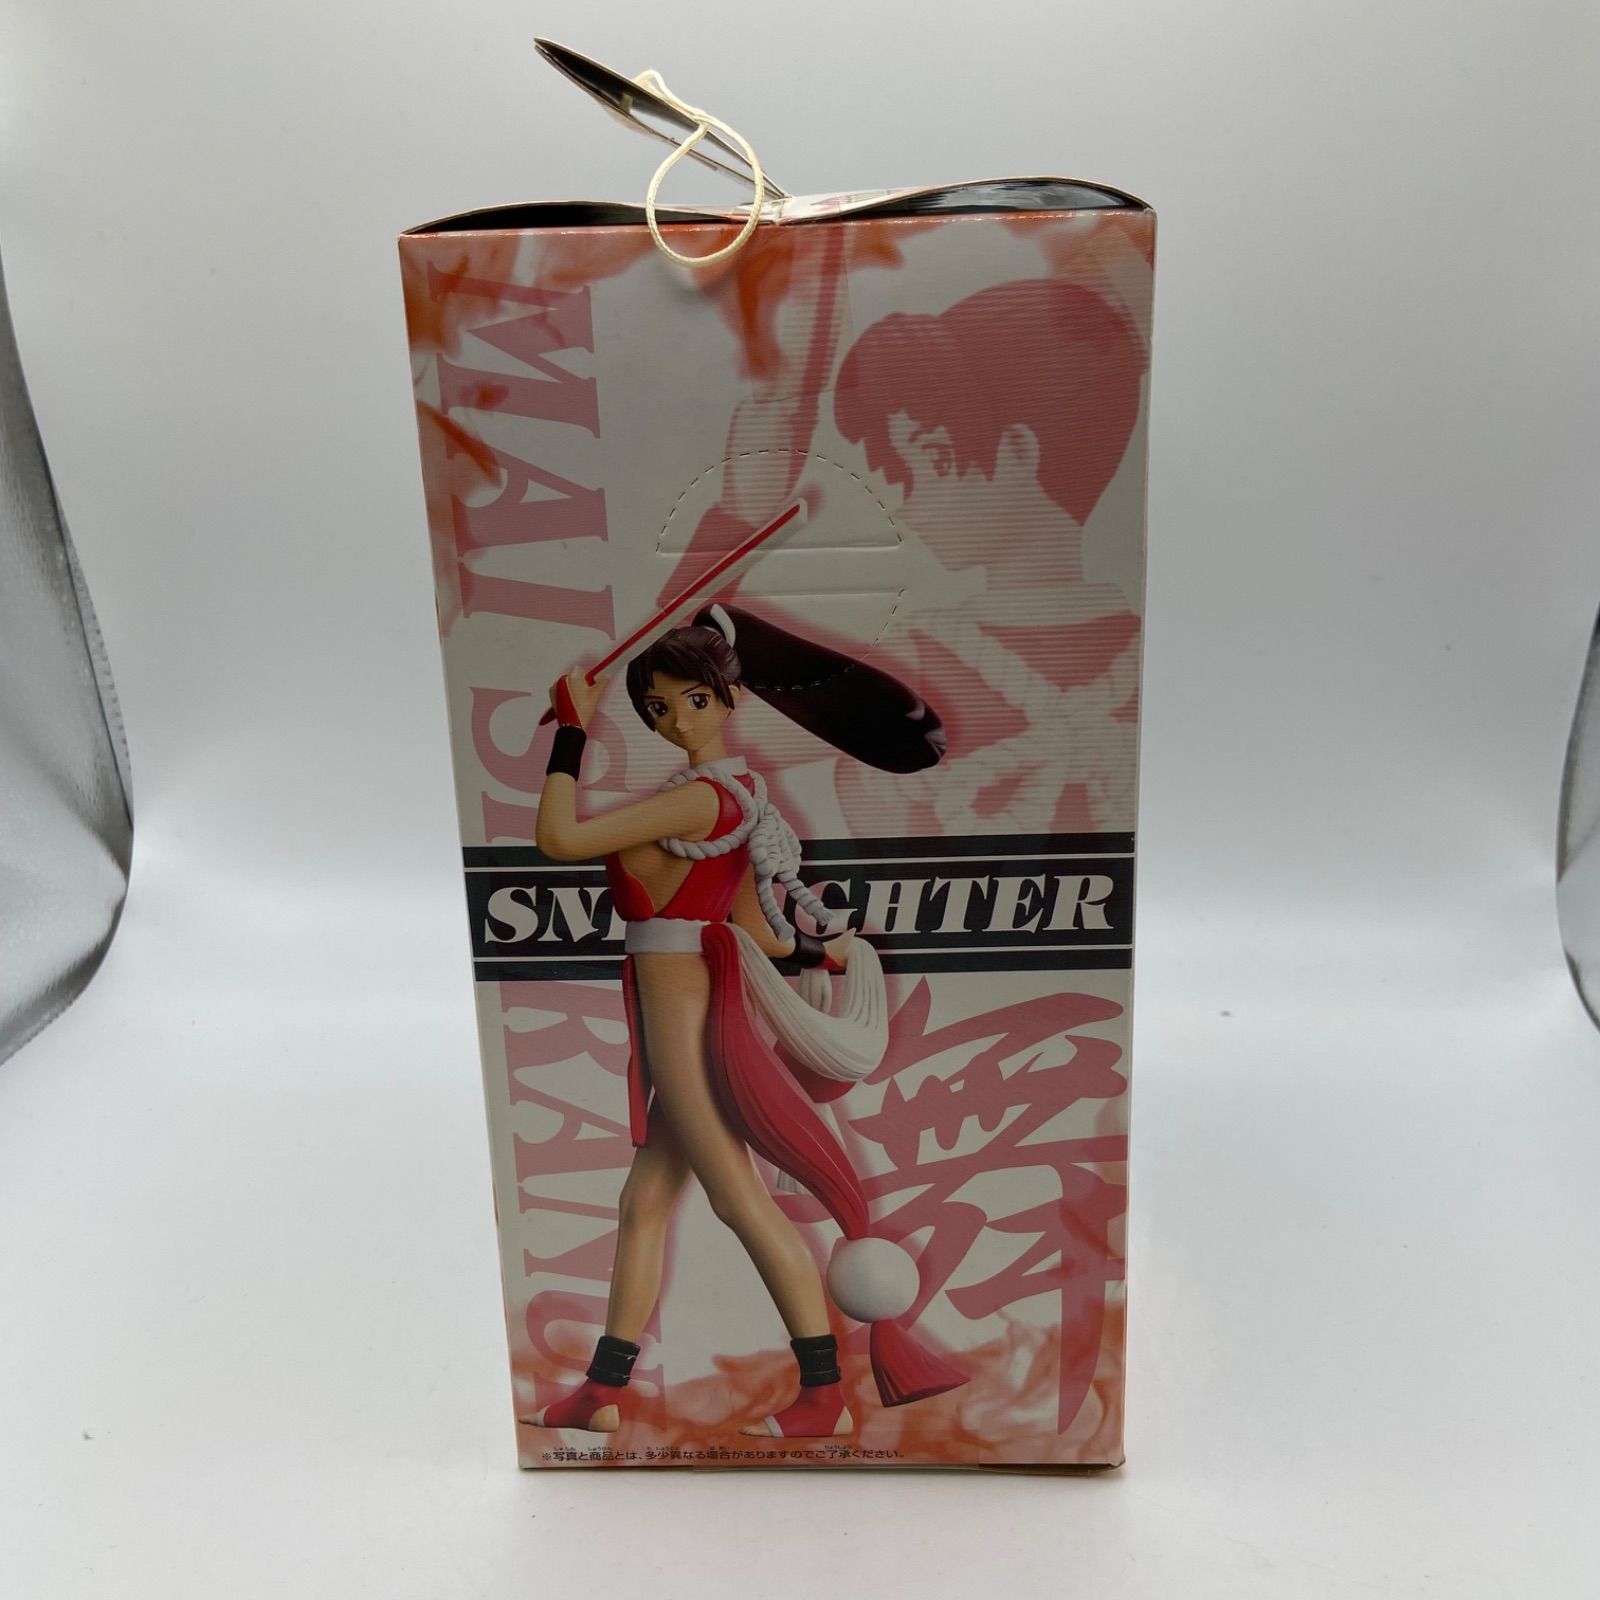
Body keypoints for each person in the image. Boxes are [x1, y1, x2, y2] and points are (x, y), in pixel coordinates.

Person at [526, 605, 962, 1438]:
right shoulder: (736, 798)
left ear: (729, 698)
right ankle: (603, 1391)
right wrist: (818, 949)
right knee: (642, 1203)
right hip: (676, 1017)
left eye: (694, 701)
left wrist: (573, 732)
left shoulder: (700, 800)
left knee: (739, 1203)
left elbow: (557, 839)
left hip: (685, 1026)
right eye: (657, 708)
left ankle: (824, 1393)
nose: (676, 721)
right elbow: (758, 929)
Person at [832, 276, 1148, 837]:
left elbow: (697, 723)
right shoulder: (1144, 652)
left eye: (931, 459)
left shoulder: (920, 658)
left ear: (1019, 451)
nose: (907, 505)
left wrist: (738, 515)